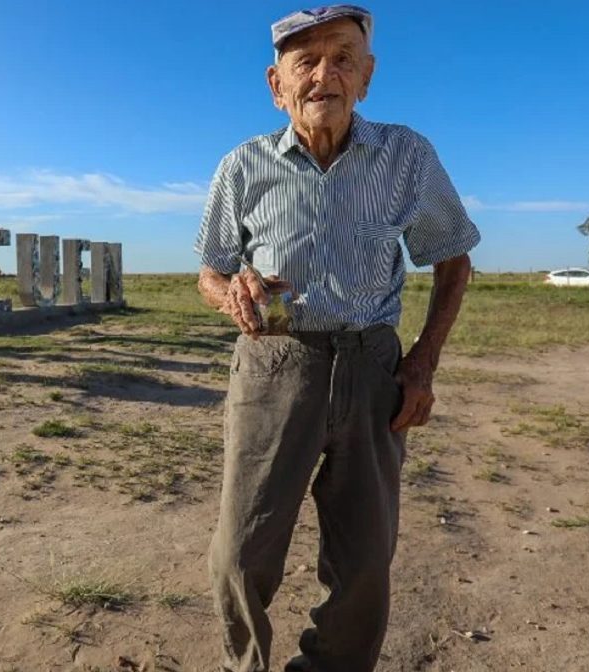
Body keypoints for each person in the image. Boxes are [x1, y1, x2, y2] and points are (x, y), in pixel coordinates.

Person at [193, 5, 480, 671]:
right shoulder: (242, 167)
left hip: (372, 365)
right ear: (276, 83)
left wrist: (422, 363)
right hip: (274, 366)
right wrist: (229, 291)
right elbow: (210, 271)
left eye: (344, 57)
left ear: (367, 76)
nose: (326, 74)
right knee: (241, 550)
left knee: (364, 559)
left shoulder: (407, 156)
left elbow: (452, 258)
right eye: (307, 62)